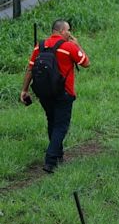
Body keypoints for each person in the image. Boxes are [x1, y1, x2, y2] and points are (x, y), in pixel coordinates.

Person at [20, 19, 90, 173]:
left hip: (44, 92)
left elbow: (30, 69)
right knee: (61, 126)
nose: (70, 33)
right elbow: (85, 62)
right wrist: (77, 45)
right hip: (64, 93)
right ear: (62, 31)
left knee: (52, 121)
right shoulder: (69, 46)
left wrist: (24, 90)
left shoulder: (40, 46)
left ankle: (58, 156)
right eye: (68, 30)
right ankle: (51, 160)